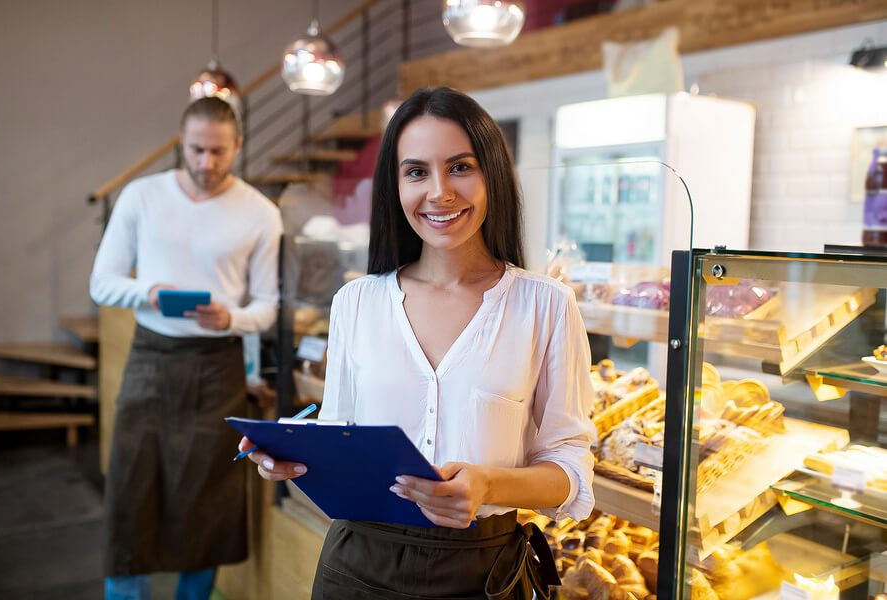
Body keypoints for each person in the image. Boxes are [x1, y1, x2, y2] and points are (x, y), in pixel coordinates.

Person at [239, 87, 596, 599]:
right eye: (416, 172)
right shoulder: (355, 302)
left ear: (491, 173)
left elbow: (571, 471)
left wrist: (489, 485)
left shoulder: (546, 305)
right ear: (395, 185)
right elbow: (341, 435)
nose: (439, 192)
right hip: (357, 567)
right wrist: (292, 455)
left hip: (485, 573)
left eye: (460, 167)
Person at [90, 96, 283, 600]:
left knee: (206, 503)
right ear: (181, 143)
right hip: (150, 357)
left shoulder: (261, 213)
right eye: (196, 150)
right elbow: (102, 284)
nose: (206, 163)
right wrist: (147, 292)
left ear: (238, 146)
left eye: (219, 151)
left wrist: (232, 318)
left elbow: (267, 307)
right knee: (132, 493)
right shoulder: (141, 196)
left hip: (218, 368)